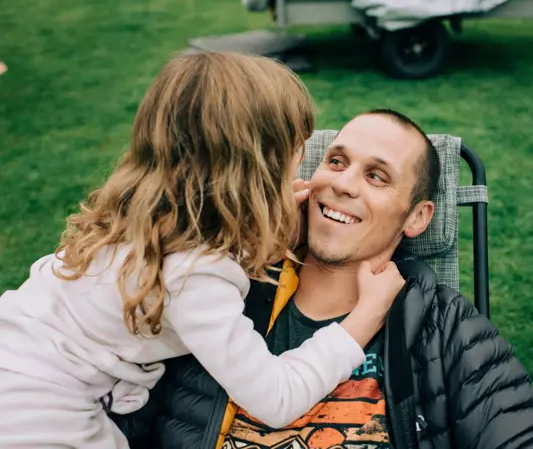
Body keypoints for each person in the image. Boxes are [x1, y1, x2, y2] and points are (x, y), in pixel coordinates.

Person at [0, 53, 407, 449]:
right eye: (296, 152)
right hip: (36, 413)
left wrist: (265, 230)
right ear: (257, 171)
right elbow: (276, 398)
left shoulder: (146, 215)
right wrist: (366, 315)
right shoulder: (196, 274)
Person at [116, 109, 533, 449]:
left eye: (376, 176)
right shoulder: (217, 291)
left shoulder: (443, 326)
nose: (344, 184)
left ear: (417, 217)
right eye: (335, 161)